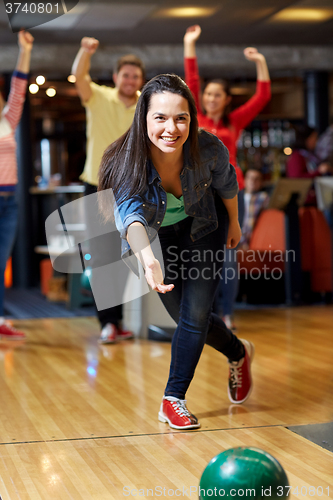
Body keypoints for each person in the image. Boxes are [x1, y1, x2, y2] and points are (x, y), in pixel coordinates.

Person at [98, 74, 255, 430]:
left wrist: (234, 224)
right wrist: (148, 258)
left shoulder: (208, 147)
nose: (172, 128)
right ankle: (238, 352)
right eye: (160, 118)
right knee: (187, 316)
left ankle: (173, 399)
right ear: (144, 119)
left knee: (196, 313)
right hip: (155, 238)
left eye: (181, 118)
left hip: (204, 226)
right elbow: (131, 219)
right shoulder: (128, 163)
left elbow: (227, 184)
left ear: (191, 119)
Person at [71, 37, 145, 344]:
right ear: (116, 77)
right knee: (101, 256)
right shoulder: (99, 98)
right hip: (98, 187)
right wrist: (85, 52)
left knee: (127, 255)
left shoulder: (145, 105)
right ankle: (108, 323)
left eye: (136, 76)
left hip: (132, 187)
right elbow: (79, 76)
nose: (130, 80)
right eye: (125, 75)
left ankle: (121, 321)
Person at [183, 25, 271, 190]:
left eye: (217, 95)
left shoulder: (234, 121)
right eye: (208, 94)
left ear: (227, 99)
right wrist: (189, 43)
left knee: (235, 217)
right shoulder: (196, 117)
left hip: (230, 185)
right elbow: (192, 80)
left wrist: (260, 61)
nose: (211, 99)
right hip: (202, 185)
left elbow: (262, 97)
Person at [0, 30, 34, 340]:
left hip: (9, 201)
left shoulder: (7, 120)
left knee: (0, 263)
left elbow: (19, 89)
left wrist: (24, 50)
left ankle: (0, 319)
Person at [214, 168, 269, 329]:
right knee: (210, 264)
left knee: (229, 264)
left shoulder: (255, 196)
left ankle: (227, 314)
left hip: (233, 237)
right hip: (210, 187)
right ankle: (212, 317)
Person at [286, 124, 333, 205]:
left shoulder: (310, 155)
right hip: (304, 203)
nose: (316, 140)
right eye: (314, 137)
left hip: (316, 200)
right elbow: (297, 180)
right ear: (307, 139)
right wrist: (319, 171)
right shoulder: (297, 156)